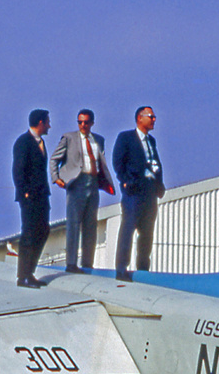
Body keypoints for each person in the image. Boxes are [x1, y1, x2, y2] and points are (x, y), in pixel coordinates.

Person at [49, 109, 115, 273]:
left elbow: (100, 161)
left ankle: (87, 263)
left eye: (86, 122)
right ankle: (71, 263)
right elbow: (54, 159)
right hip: (76, 183)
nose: (83, 125)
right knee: (73, 223)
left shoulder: (98, 140)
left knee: (90, 224)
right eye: (80, 122)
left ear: (92, 123)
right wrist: (56, 178)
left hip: (92, 184)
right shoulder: (69, 137)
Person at [112, 106, 164, 282]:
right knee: (128, 228)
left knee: (147, 232)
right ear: (140, 118)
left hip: (149, 193)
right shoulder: (126, 138)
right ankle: (121, 268)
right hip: (134, 192)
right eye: (151, 116)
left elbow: (155, 163)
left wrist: (159, 184)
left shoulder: (152, 141)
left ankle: (143, 268)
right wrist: (125, 181)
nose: (154, 119)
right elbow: (118, 161)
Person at [12, 109, 52, 288]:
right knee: (28, 233)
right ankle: (23, 276)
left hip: (42, 195)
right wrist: (24, 192)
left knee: (43, 230)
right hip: (30, 197)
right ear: (40, 122)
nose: (49, 125)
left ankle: (30, 271)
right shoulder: (23, 142)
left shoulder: (41, 142)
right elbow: (18, 170)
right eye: (47, 122)